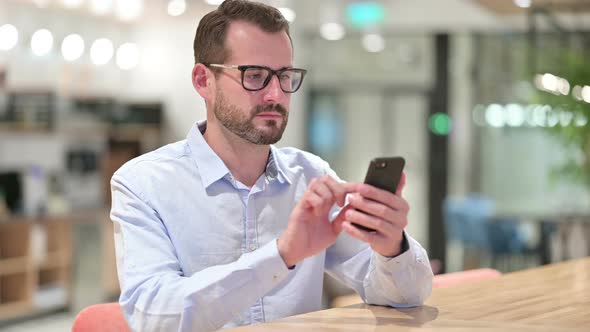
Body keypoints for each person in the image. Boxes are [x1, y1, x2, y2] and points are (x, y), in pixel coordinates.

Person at [110, 1, 433, 331]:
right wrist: (281, 255)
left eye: (285, 76)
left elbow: (406, 297)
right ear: (203, 80)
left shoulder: (311, 177)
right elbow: (153, 317)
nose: (276, 94)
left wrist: (391, 248)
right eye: (255, 76)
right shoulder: (143, 184)